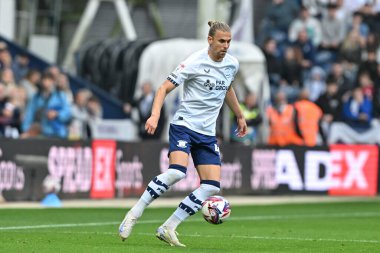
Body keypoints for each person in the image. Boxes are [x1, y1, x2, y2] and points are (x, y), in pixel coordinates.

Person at [118, 21, 247, 247]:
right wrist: (155, 115)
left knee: (211, 186)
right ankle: (134, 214)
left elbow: (227, 88)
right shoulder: (194, 62)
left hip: (206, 134)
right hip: (184, 126)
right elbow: (163, 88)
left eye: (228, 41)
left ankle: (168, 227)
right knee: (177, 172)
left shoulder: (231, 64)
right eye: (221, 41)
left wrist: (239, 114)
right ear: (210, 40)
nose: (226, 46)